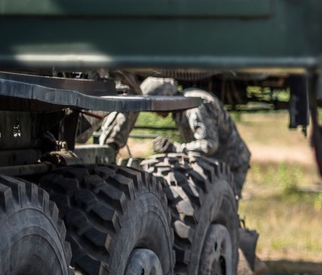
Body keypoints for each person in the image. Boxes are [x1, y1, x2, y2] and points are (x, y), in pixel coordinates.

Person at [99, 77, 251, 198]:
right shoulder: (182, 108)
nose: (154, 113)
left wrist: (175, 148)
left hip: (231, 163)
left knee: (226, 210)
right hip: (217, 166)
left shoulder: (193, 106)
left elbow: (208, 145)